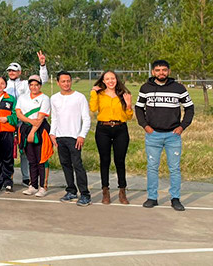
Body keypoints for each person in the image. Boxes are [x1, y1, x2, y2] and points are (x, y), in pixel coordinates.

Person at [135, 60, 194, 211]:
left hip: (173, 135)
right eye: (158, 70)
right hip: (153, 135)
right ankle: (152, 197)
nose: (161, 73)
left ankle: (175, 198)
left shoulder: (178, 88)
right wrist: (145, 126)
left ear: (168, 71)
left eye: (164, 70)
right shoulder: (145, 88)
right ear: (153, 72)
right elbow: (138, 109)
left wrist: (182, 127)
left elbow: (190, 108)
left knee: (174, 168)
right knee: (152, 167)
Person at [90, 70, 134, 205]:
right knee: (105, 160)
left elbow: (129, 116)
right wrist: (93, 92)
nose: (110, 81)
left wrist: (128, 104)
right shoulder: (100, 94)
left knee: (120, 161)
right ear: (103, 81)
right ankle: (105, 191)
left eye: (113, 78)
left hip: (120, 129)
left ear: (116, 79)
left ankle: (122, 190)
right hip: (103, 129)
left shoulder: (123, 95)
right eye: (107, 79)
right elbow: (93, 108)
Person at [5, 51, 48, 187]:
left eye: (14, 70)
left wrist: (42, 65)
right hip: (10, 120)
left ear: (20, 72)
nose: (12, 73)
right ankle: (7, 178)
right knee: (9, 150)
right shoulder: (3, 84)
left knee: (24, 149)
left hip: (25, 121)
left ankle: (26, 177)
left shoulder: (25, 84)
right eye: (10, 71)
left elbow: (42, 80)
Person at [49, 71, 91, 207]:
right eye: (63, 81)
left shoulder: (79, 97)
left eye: (68, 81)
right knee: (65, 165)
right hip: (60, 137)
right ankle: (71, 191)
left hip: (74, 138)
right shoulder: (54, 98)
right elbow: (54, 118)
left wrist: (82, 135)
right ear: (58, 83)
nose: (66, 84)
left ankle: (85, 194)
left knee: (77, 165)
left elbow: (86, 118)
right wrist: (52, 134)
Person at [15, 75, 52, 198]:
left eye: (36, 85)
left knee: (42, 158)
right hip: (27, 127)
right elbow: (18, 113)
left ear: (40, 85)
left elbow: (40, 117)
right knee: (31, 159)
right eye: (31, 85)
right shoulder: (22, 97)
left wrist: (32, 132)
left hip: (40, 129)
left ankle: (43, 186)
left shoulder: (45, 98)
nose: (34, 87)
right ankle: (33, 185)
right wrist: (30, 123)